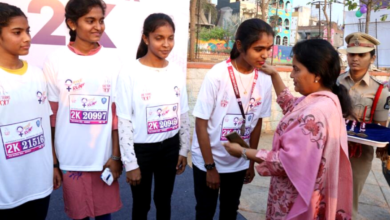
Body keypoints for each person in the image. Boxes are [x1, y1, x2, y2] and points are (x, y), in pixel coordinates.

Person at [224, 39, 354, 219]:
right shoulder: (325, 100)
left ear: (316, 74)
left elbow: (285, 162)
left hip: (294, 197)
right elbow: (292, 107)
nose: (292, 75)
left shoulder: (316, 111)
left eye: (296, 69)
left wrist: (244, 152)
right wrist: (275, 75)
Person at [43, 0, 122, 219]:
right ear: (72, 23)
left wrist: (116, 156)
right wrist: (54, 162)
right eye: (90, 21)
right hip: (70, 161)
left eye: (101, 20)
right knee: (79, 216)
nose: (98, 26)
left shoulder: (112, 60)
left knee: (104, 216)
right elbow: (51, 118)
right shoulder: (55, 60)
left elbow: (117, 116)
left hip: (104, 160)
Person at [191, 18, 274, 220]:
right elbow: (201, 124)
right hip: (209, 159)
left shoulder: (264, 78)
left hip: (238, 160)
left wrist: (251, 162)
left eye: (269, 48)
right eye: (258, 48)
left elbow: (257, 123)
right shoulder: (217, 75)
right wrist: (210, 167)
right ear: (239, 45)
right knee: (205, 210)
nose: (265, 55)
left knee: (230, 210)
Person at [115, 13, 190, 220]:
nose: (166, 44)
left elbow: (183, 113)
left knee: (164, 201)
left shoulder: (176, 71)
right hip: (142, 151)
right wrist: (130, 163)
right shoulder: (129, 72)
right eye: (159, 38)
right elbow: (123, 120)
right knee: (141, 204)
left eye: (170, 38)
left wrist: (183, 149)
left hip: (170, 147)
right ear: (146, 38)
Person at [0, 3, 57, 219]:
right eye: (17, 32)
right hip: (6, 191)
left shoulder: (37, 74)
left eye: (27, 31)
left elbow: (44, 124)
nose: (27, 38)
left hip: (38, 185)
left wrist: (52, 164)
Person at [337, 32, 390, 218]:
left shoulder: (380, 91)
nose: (355, 59)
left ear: (372, 57)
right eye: (352, 54)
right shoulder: (335, 82)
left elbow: (380, 128)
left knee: (348, 200)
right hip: (332, 148)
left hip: (359, 153)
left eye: (362, 55)